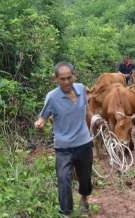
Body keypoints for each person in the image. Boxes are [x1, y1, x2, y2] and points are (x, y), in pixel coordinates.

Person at [34, 62, 93, 218]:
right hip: (63, 146)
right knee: (63, 179)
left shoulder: (81, 89)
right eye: (62, 79)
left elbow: (87, 111)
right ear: (56, 79)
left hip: (84, 142)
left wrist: (95, 121)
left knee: (85, 177)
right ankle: (66, 212)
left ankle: (84, 198)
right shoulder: (52, 97)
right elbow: (43, 116)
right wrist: (40, 122)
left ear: (73, 76)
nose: (66, 82)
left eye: (69, 78)